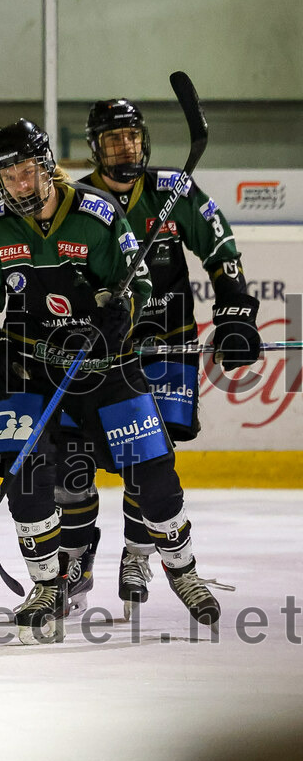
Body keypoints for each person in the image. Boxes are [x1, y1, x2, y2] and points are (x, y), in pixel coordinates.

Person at [0, 118, 228, 644]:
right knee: (25, 472)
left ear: (47, 165)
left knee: (154, 474)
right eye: (9, 176)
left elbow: (137, 283)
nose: (20, 184)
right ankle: (46, 585)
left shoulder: (97, 215)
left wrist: (120, 314)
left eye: (27, 171)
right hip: (33, 368)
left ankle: (183, 569)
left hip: (106, 365)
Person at [53, 98, 260, 616]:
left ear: (144, 140)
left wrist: (235, 313)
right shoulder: (78, 202)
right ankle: (80, 558)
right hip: (108, 353)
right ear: (95, 148)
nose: (125, 147)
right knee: (81, 458)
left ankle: (137, 551)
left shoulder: (174, 190)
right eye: (113, 139)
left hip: (169, 343)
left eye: (132, 136)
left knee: (150, 457)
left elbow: (221, 249)